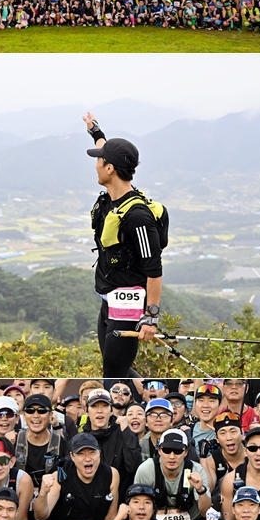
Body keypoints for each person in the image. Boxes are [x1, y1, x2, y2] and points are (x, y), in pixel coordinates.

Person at [83, 112, 164, 379]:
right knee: (113, 367)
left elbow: (154, 269)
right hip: (108, 298)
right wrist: (95, 132)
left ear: (110, 169)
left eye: (100, 161)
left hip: (129, 301)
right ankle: (144, 390)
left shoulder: (137, 216)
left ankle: (150, 397)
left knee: (113, 371)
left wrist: (151, 316)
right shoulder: (111, 198)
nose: (96, 165)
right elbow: (106, 150)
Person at [33, 432, 121, 520]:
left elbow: (110, 518)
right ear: (72, 456)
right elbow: (40, 516)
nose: (87, 458)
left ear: (99, 453)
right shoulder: (59, 476)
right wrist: (43, 493)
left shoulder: (111, 475)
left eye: (92, 452)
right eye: (81, 453)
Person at [133, 429, 211, 520]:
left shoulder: (196, 470)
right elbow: (138, 507)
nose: (172, 456)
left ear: (186, 452)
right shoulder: (146, 469)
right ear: (159, 450)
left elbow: (205, 512)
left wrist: (200, 490)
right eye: (167, 450)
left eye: (178, 451)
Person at [105, 484, 180, 520]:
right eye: (136, 502)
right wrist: (119, 518)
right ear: (127, 506)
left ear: (153, 509)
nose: (141, 507)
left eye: (147, 502)